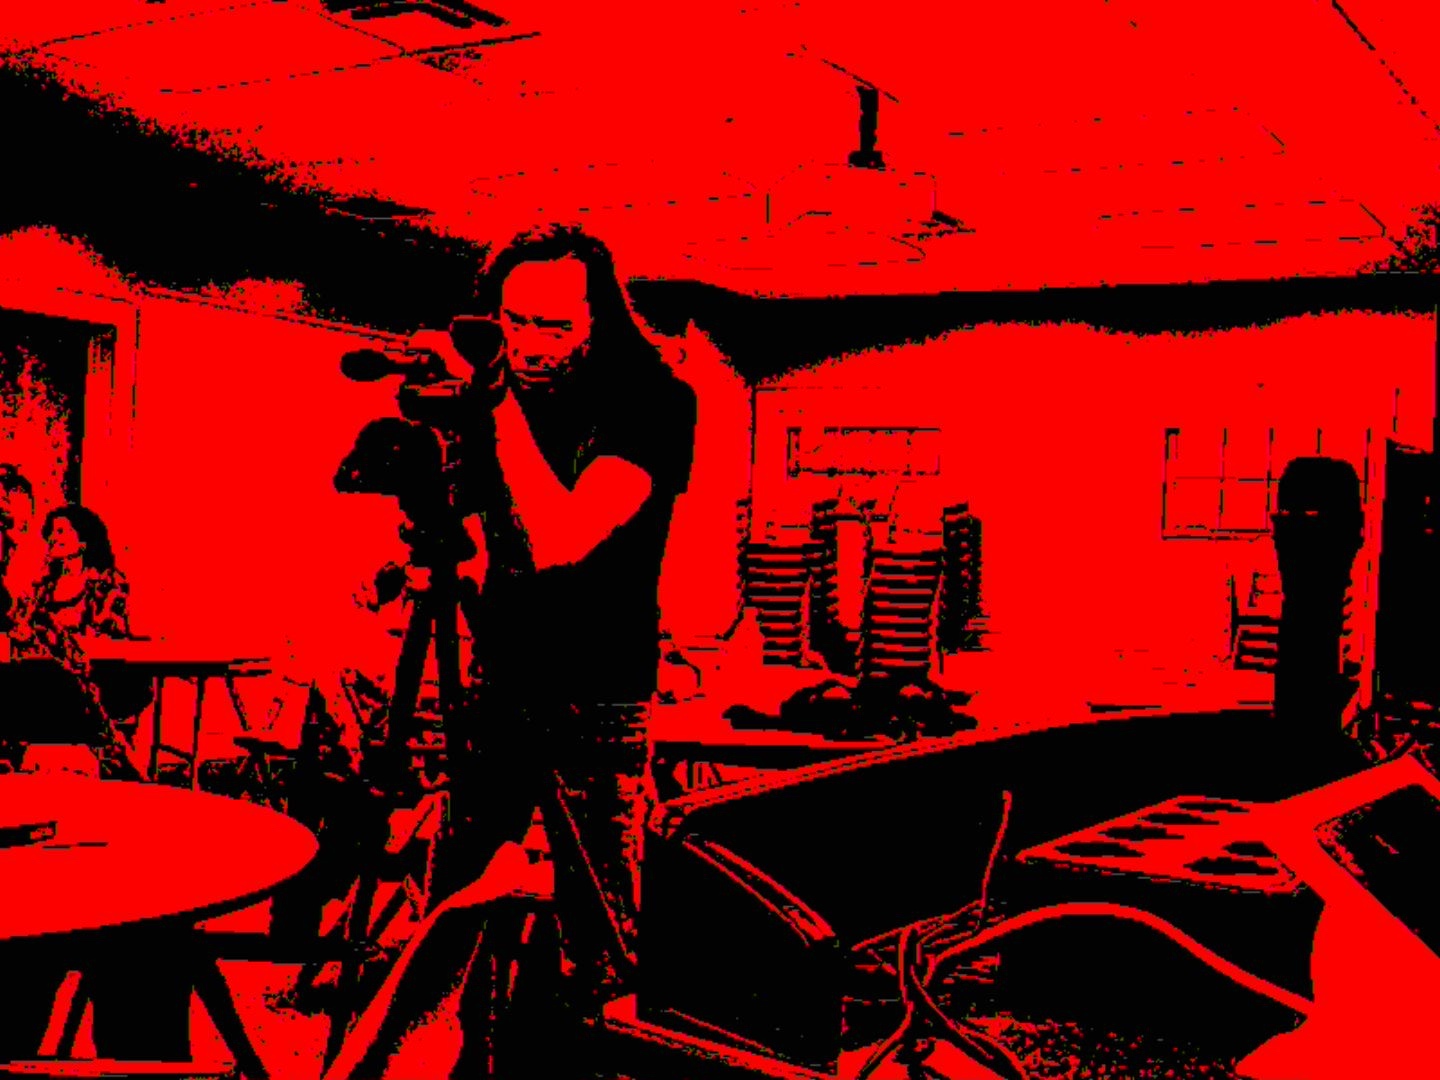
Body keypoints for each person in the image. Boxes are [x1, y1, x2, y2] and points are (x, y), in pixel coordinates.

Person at [424, 224, 697, 1067]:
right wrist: (423, 560)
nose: (531, 345)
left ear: (598, 317)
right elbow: (484, 537)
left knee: (600, 927)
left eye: (554, 325)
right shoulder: (498, 395)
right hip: (502, 678)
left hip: (599, 690)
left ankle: (599, 1062)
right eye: (515, 321)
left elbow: (561, 536)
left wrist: (493, 410)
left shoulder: (652, 399)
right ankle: (472, 1056)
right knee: (458, 905)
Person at [8, 505, 149, 773]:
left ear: (83, 541)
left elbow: (109, 634)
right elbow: (29, 630)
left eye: (62, 531)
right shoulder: (44, 586)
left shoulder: (105, 583)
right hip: (50, 675)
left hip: (93, 676)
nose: (53, 538)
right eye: (51, 533)